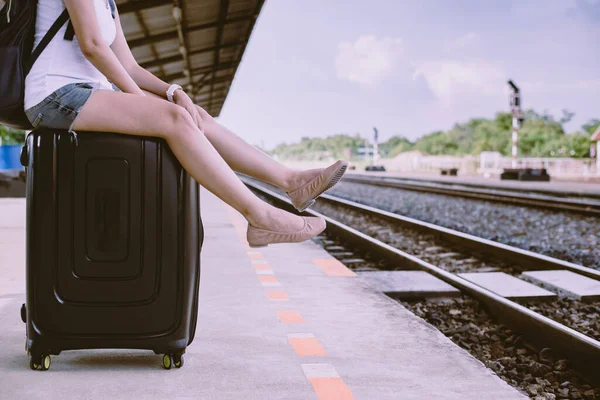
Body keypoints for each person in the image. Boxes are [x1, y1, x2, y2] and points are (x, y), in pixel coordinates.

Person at [23, 0, 348, 247]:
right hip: (55, 94)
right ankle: (259, 216)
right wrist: (143, 102)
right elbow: (92, 46)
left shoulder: (107, 4)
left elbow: (130, 67)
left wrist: (174, 91)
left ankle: (292, 182)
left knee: (194, 115)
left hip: (87, 93)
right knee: (173, 119)